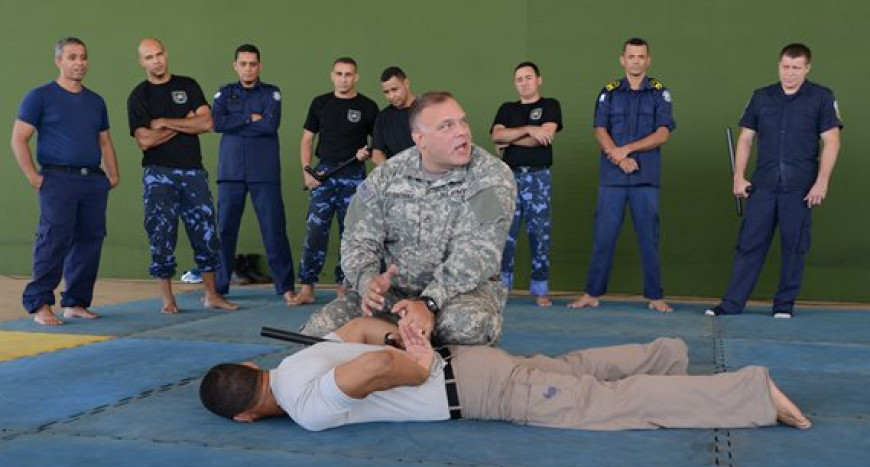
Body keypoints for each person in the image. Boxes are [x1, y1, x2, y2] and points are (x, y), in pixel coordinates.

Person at [200, 317, 812, 432]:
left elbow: (373, 366)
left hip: (473, 388)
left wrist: (408, 360)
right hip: (473, 362)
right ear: (254, 369)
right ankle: (671, 353)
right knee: (573, 369)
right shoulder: (296, 360)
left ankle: (751, 392)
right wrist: (399, 335)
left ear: (248, 412)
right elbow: (363, 329)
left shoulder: (304, 405)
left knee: (605, 403)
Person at [299, 91, 516, 346]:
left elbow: (479, 253)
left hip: (460, 296)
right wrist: (368, 282)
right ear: (419, 139)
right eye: (447, 126)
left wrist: (429, 303)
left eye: (462, 121)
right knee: (318, 332)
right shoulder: (387, 176)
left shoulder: (491, 176)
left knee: (467, 326)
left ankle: (405, 352)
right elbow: (357, 239)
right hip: (395, 296)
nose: (462, 132)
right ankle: (396, 345)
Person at [706, 43, 842, 319]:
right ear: (778, 66)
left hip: (800, 188)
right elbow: (745, 138)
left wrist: (822, 181)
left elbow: (832, 141)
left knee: (794, 246)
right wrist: (738, 177)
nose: (789, 73)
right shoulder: (761, 97)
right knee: (749, 245)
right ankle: (731, 305)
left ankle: (783, 306)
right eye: (785, 67)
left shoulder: (822, 97)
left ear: (807, 68)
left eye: (796, 68)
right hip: (763, 186)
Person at [11, 37, 120, 326]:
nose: (79, 63)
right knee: (53, 240)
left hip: (92, 181)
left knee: (89, 241)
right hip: (57, 179)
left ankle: (76, 303)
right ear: (58, 60)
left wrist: (113, 173)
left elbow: (105, 141)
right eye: (72, 57)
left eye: (83, 57)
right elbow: (19, 138)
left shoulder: (96, 101)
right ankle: (40, 303)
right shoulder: (40, 96)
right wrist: (33, 176)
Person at [127, 38, 237, 314]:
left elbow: (208, 122)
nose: (157, 61)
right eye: (149, 57)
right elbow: (145, 141)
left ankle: (211, 294)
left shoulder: (187, 85)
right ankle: (168, 299)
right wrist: (184, 124)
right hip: (158, 174)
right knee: (161, 234)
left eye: (160, 54)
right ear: (142, 62)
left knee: (206, 233)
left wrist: (164, 122)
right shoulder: (138, 96)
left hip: (193, 172)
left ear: (167, 54)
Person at [569, 38, 676, 313]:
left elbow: (663, 133)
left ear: (648, 60)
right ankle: (592, 293)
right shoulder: (609, 93)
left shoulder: (659, 93)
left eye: (641, 57)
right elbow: (599, 129)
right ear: (622, 60)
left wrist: (625, 150)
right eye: (631, 56)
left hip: (646, 179)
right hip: (612, 180)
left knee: (648, 240)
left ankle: (655, 296)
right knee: (603, 238)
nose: (636, 61)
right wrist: (617, 156)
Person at [212, 44, 296, 305]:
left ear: (259, 66)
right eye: (243, 64)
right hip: (231, 172)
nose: (248, 68)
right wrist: (251, 119)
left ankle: (285, 288)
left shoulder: (272, 93)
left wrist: (238, 119)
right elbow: (217, 123)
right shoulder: (224, 93)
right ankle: (218, 288)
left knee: (274, 230)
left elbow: (271, 124)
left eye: (252, 64)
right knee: (224, 231)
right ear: (235, 66)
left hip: (264, 172)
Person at [291, 57, 379, 306]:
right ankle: (307, 288)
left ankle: (345, 286)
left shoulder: (368, 106)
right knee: (315, 231)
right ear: (332, 75)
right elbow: (307, 140)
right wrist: (307, 171)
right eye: (339, 74)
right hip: (323, 174)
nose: (343, 79)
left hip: (353, 175)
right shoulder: (320, 103)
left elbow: (378, 145)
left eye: (348, 74)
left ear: (356, 77)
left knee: (350, 233)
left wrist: (367, 153)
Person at [491, 62, 562, 307]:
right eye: (519, 79)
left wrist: (512, 139)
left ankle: (540, 290)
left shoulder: (550, 106)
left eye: (528, 77)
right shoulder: (507, 108)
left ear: (539, 80)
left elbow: (544, 139)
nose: (524, 82)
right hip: (509, 177)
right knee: (505, 235)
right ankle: (501, 289)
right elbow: (496, 135)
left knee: (539, 234)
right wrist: (531, 129)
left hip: (538, 177)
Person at [371, 66, 416, 165]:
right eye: (386, 92)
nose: (391, 96)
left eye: (394, 89)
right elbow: (377, 154)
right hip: (396, 178)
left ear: (406, 84)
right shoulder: (382, 118)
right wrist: (393, 174)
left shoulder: (427, 110)